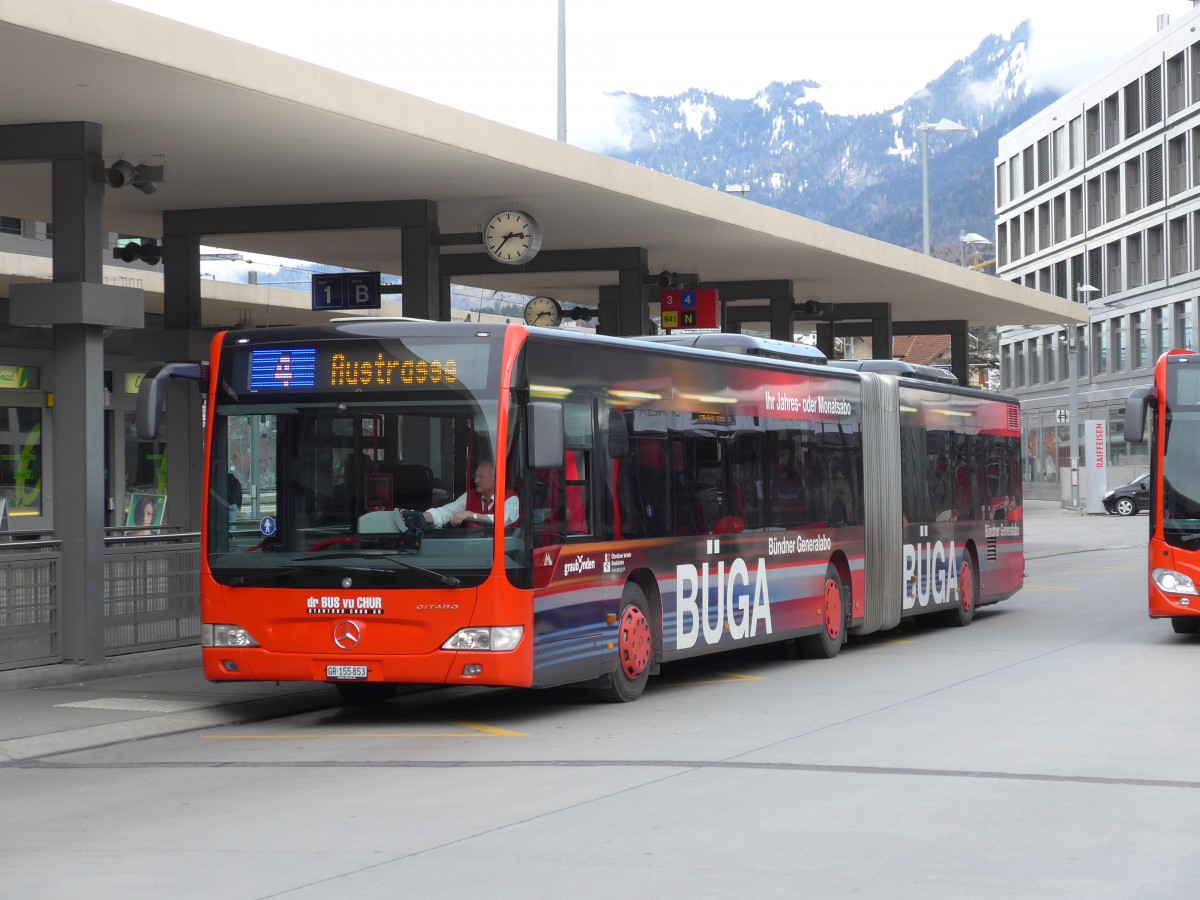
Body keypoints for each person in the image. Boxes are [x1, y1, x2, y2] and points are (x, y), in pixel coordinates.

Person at [415, 459, 518, 528]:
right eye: (476, 476)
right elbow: (446, 512)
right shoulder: (469, 496)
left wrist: (472, 515)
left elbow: (503, 520)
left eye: (481, 477)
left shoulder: (511, 498)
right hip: (471, 554)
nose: (476, 481)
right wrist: (418, 516)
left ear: (496, 479)